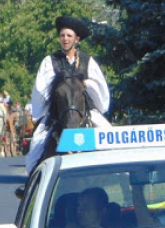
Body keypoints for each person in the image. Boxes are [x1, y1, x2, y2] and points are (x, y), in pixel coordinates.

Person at [25, 16, 111, 174]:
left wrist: (86, 84)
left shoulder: (87, 61)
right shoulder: (50, 61)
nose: (65, 39)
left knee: (108, 133)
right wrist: (41, 114)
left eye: (69, 36)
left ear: (76, 39)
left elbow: (100, 87)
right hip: (58, 112)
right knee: (37, 144)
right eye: (62, 35)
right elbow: (40, 90)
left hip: (85, 109)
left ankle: (117, 174)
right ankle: (31, 181)